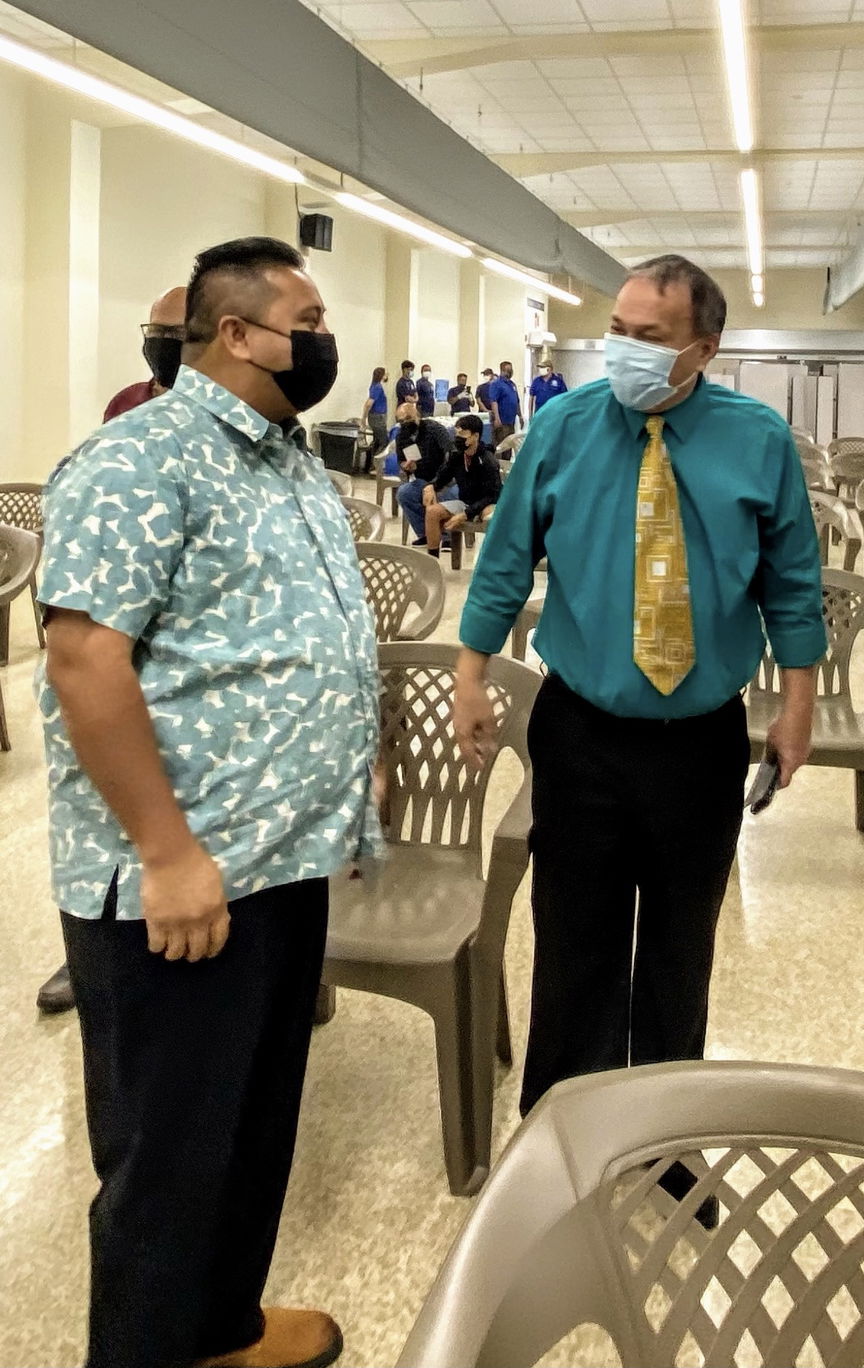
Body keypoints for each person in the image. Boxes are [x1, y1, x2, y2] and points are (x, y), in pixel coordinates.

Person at [39, 235, 376, 1368]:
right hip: (186, 879)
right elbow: (87, 662)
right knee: (168, 1168)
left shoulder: (286, 459)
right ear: (235, 334)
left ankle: (219, 1332)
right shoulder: (143, 461)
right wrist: (166, 850)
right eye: (310, 318)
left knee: (248, 1134)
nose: (325, 340)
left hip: (282, 863)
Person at [451, 253, 825, 1127]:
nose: (623, 350)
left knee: (678, 945)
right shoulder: (564, 426)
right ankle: (565, 1130)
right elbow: (506, 558)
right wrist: (470, 673)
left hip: (700, 739)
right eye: (616, 332)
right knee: (574, 938)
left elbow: (792, 582)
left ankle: (665, 1132)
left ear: (704, 348)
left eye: (647, 338)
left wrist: (797, 706)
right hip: (579, 730)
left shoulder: (757, 439)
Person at [37, 285, 190, 1018]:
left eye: (173, 331)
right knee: (103, 812)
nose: (159, 342)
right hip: (126, 636)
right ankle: (87, 954)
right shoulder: (126, 410)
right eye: (152, 330)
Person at [103, 286, 188, 421]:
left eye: (179, 332)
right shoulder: (126, 403)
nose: (163, 339)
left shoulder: (221, 410)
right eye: (156, 330)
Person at [422, 413, 500, 557]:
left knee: (491, 516)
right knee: (432, 512)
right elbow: (442, 478)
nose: (458, 437)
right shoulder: (457, 456)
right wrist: (430, 486)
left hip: (486, 504)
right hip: (465, 502)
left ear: (475, 436)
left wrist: (466, 514)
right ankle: (432, 561)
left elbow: (493, 495)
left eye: (463, 433)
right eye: (457, 432)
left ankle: (492, 560)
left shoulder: (488, 461)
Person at [392, 400, 456, 545]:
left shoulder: (434, 429)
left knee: (448, 495)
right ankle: (427, 532)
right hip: (422, 477)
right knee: (404, 493)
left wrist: (437, 483)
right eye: (401, 421)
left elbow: (451, 453)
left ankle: (448, 537)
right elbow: (401, 461)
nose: (405, 423)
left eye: (408, 418)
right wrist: (406, 466)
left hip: (444, 478)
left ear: (417, 415)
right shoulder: (401, 436)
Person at [485, 363, 521, 447]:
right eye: (508, 370)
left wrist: (520, 415)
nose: (510, 372)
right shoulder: (496, 384)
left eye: (511, 370)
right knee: (501, 446)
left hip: (511, 421)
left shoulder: (512, 384)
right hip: (502, 421)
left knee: (509, 446)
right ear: (502, 370)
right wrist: (497, 418)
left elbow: (516, 400)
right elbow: (494, 401)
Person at [361, 365, 388, 470]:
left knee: (377, 441)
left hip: (376, 417)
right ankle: (377, 464)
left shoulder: (374, 386)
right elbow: (369, 403)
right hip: (377, 417)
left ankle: (372, 465)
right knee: (384, 442)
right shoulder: (377, 387)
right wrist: (363, 418)